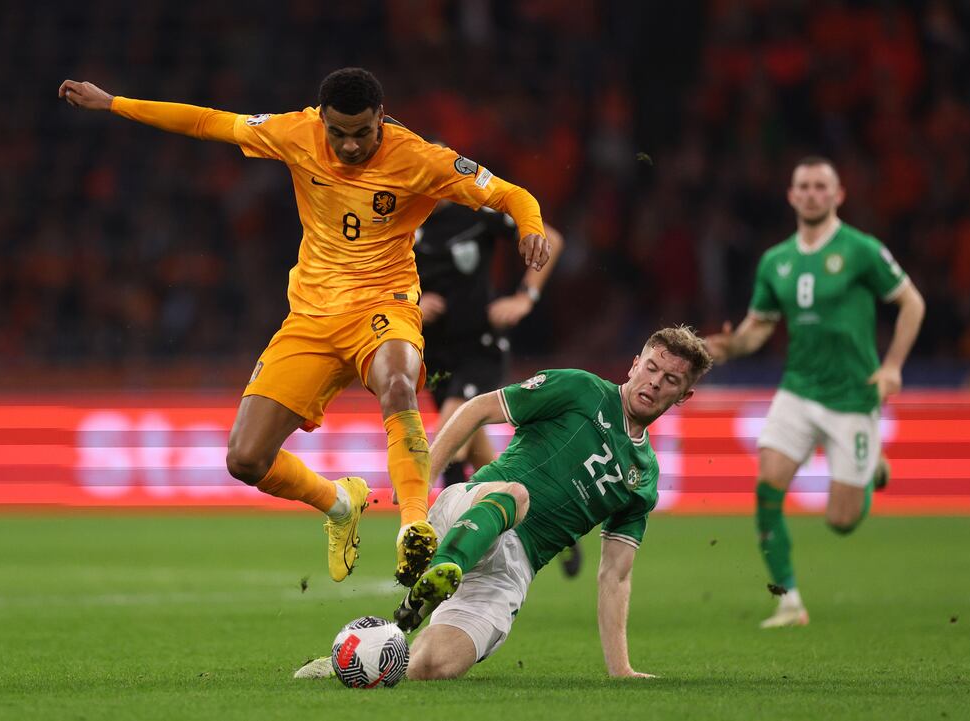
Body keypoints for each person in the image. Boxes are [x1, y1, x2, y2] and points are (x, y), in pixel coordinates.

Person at [58, 68, 551, 587]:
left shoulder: (419, 158)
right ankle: (339, 503)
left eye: (362, 132)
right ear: (323, 120)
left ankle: (413, 523)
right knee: (245, 459)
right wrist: (114, 103)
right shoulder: (297, 132)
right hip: (312, 318)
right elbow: (209, 123)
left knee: (398, 383)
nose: (350, 144)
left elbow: (513, 194)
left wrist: (532, 229)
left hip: (383, 307)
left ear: (381, 119)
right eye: (338, 132)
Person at [395, 326, 713, 680]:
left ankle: (364, 655)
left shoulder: (644, 479)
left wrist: (621, 669)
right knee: (516, 495)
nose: (655, 382)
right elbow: (478, 409)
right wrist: (420, 483)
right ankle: (437, 575)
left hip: (512, 570)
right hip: (473, 508)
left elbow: (616, 575)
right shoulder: (580, 389)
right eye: (652, 368)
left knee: (432, 667)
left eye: (670, 379)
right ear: (634, 365)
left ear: (684, 395)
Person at [704, 156, 925, 629]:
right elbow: (758, 329)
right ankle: (789, 601)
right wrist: (730, 346)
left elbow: (912, 302)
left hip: (853, 395)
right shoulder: (776, 260)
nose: (811, 193)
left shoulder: (861, 249)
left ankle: (870, 470)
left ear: (838, 195)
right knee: (767, 489)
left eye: (821, 186)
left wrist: (892, 367)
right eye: (803, 186)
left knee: (842, 522)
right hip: (798, 390)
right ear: (791, 196)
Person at [414, 202, 581, 576]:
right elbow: (376, 280)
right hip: (437, 358)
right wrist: (411, 304)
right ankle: (549, 522)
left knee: (449, 441)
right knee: (483, 461)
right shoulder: (396, 220)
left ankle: (444, 549)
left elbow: (549, 237)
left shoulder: (472, 210)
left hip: (480, 348)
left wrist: (525, 297)